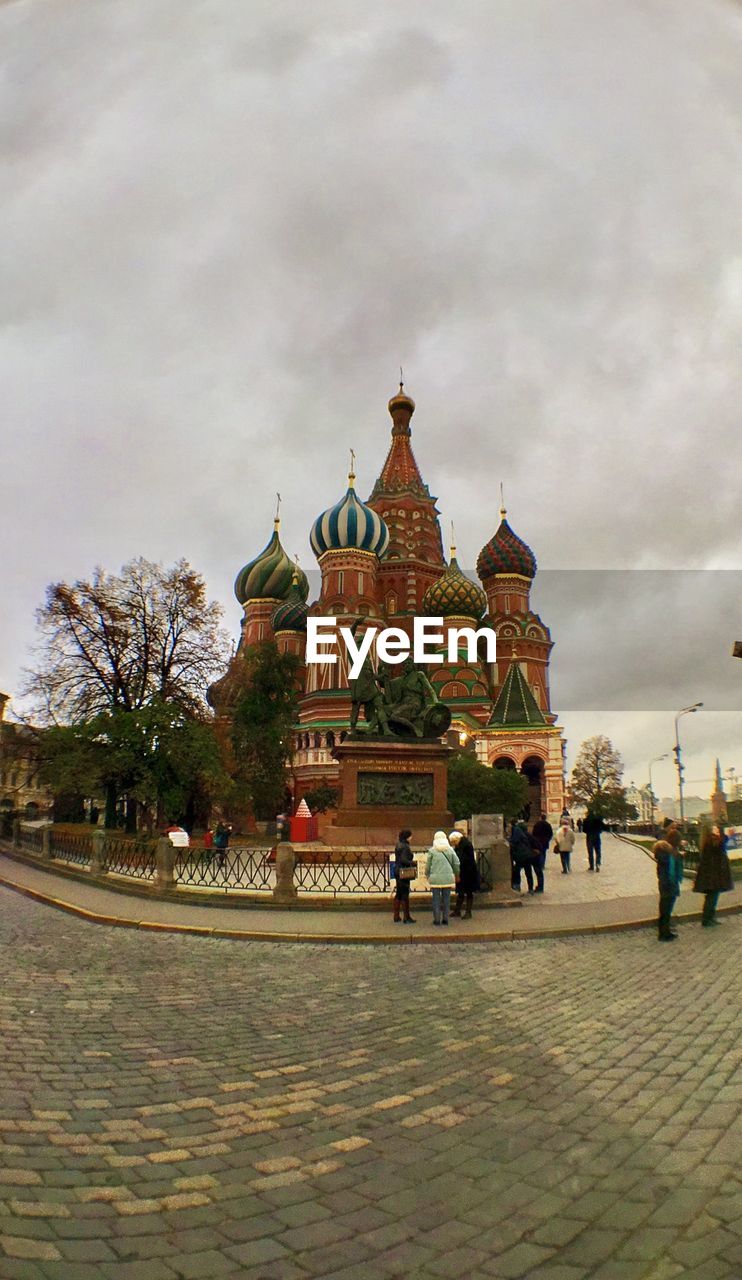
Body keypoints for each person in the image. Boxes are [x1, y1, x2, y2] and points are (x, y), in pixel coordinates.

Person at [693, 824, 733, 927]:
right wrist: (727, 835)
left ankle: (709, 917)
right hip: (713, 874)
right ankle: (707, 919)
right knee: (712, 896)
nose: (717, 830)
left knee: (712, 896)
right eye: (715, 828)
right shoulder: (712, 840)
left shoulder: (709, 840)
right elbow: (720, 845)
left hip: (712, 873)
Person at [653, 825, 683, 941]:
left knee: (666, 909)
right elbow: (670, 869)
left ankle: (665, 931)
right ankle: (664, 933)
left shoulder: (666, 853)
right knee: (666, 909)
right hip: (668, 883)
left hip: (666, 883)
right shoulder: (668, 854)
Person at [425, 830, 460, 925]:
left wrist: (427, 874)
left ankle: (436, 919)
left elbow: (428, 865)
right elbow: (456, 863)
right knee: (446, 899)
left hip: (435, 879)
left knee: (436, 900)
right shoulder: (450, 850)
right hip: (448, 878)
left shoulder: (432, 851)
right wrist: (456, 873)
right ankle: (445, 919)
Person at [448, 830, 480, 919]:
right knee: (461, 892)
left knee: (468, 892)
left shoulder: (466, 846)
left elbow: (463, 859)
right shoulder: (461, 845)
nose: (453, 844)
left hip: (468, 872)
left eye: (454, 842)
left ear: (458, 839)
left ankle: (468, 912)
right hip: (462, 872)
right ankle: (457, 910)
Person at [392, 828, 416, 924]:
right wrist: (412, 863)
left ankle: (396, 915)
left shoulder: (398, 844)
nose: (411, 837)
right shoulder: (405, 846)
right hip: (404, 872)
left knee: (399, 893)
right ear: (407, 837)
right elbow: (404, 860)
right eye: (410, 836)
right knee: (405, 894)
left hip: (398, 870)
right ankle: (406, 917)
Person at [509, 821, 537, 893]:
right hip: (527, 855)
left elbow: (513, 843)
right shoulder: (524, 835)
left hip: (520, 856)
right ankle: (530, 888)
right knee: (528, 872)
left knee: (517, 870)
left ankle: (517, 886)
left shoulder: (516, 833)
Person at [531, 813, 553, 893]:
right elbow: (550, 834)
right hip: (545, 841)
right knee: (544, 853)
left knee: (540, 854)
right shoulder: (548, 825)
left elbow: (533, 834)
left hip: (538, 842)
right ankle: (543, 863)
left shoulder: (537, 824)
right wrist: (547, 839)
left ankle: (541, 863)